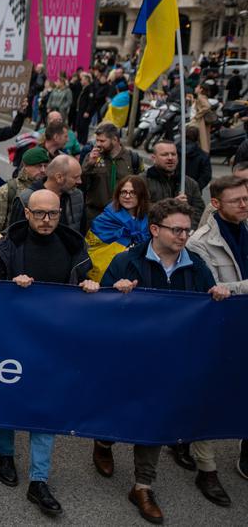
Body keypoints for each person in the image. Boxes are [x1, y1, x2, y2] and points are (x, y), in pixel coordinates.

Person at [100, 198, 231, 523]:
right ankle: (103, 441)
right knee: (115, 412)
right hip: (129, 357)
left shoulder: (196, 264)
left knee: (153, 420)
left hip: (171, 360)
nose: (183, 236)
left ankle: (143, 486)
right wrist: (115, 293)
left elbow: (207, 305)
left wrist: (217, 297)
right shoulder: (126, 261)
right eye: (176, 230)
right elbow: (99, 308)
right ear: (155, 229)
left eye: (187, 230)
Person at [0, 189, 98, 517]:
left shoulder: (74, 245)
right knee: (8, 398)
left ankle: (39, 480)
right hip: (12, 338)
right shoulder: (8, 244)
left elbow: (83, 281)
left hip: (53, 340)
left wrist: (87, 286)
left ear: (61, 214)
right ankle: (5, 454)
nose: (47, 220)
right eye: (40, 214)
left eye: (53, 214)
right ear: (27, 213)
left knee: (44, 406)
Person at [85, 176, 152, 282]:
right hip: (107, 273)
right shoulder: (104, 219)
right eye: (123, 192)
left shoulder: (150, 220)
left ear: (141, 195)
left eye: (133, 193)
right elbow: (91, 249)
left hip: (137, 273)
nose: (127, 196)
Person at [8, 155, 86, 234]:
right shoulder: (26, 199)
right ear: (59, 177)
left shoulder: (77, 196)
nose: (80, 181)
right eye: (76, 177)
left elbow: (81, 232)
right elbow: (15, 235)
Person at [82, 123, 144, 222]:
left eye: (102, 141)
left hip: (124, 215)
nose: (98, 144)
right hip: (96, 215)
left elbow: (141, 187)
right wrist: (90, 164)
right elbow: (81, 183)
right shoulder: (92, 157)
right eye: (97, 140)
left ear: (115, 140)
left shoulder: (133, 159)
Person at [139, 141, 205, 226]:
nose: (170, 158)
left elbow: (199, 211)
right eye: (165, 155)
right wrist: (171, 205)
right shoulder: (141, 181)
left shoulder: (190, 183)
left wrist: (187, 229)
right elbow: (139, 208)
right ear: (154, 158)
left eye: (173, 154)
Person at [0, 147, 49, 234]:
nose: (43, 170)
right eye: (38, 166)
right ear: (26, 166)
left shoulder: (48, 189)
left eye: (45, 166)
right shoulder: (8, 190)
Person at [183, 125, 213, 191]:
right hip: (194, 190)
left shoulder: (175, 151)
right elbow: (206, 175)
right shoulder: (203, 155)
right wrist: (197, 187)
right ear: (198, 137)